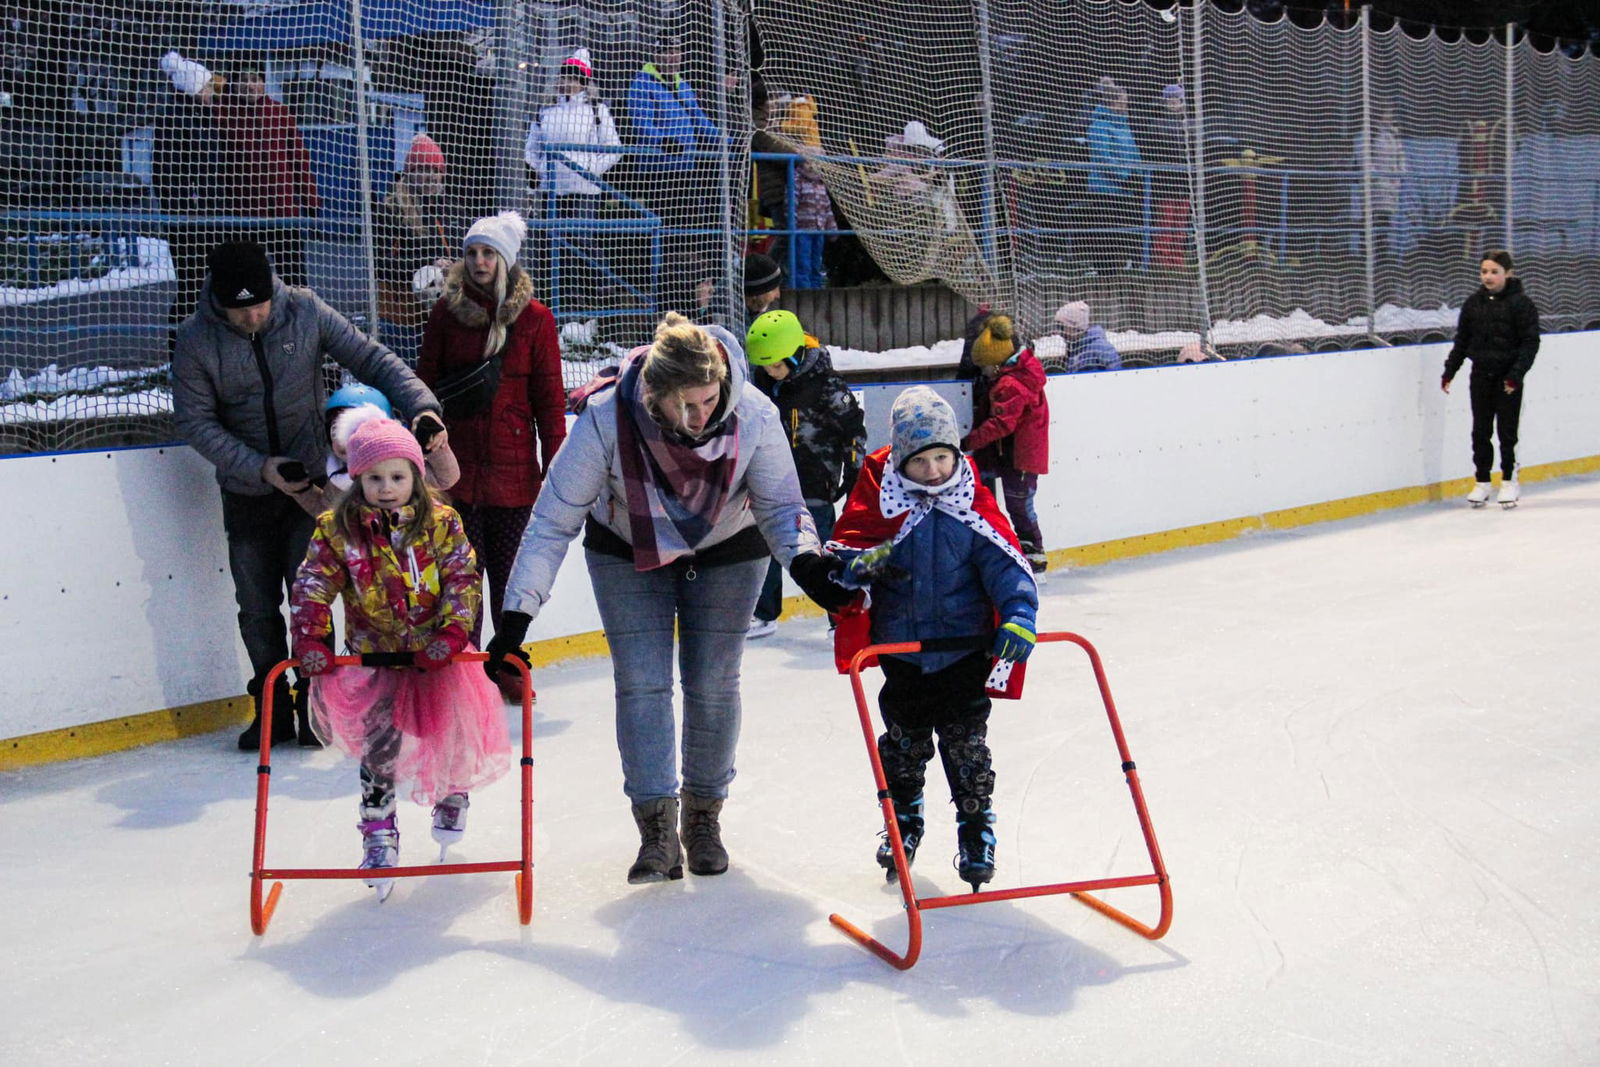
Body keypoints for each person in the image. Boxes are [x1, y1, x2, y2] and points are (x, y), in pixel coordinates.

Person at [483, 313, 841, 884]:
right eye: (685, 406)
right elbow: (552, 522)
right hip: (626, 546)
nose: (700, 418)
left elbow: (781, 509)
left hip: (728, 545)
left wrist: (807, 564)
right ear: (653, 392)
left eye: (708, 401)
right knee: (642, 682)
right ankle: (655, 830)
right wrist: (516, 616)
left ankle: (703, 819)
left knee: (713, 681)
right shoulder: (606, 419)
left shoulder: (753, 413)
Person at [172, 239, 442, 751]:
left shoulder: (305, 310)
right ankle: (270, 705)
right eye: (239, 310)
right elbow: (196, 422)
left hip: (312, 490)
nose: (252, 316)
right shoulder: (195, 339)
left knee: (310, 595)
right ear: (218, 303)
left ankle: (317, 704)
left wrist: (422, 406)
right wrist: (260, 468)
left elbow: (372, 358)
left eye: (259, 305)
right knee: (255, 604)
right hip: (248, 488)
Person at [822, 386, 1038, 890]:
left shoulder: (971, 503)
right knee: (903, 747)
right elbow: (845, 563)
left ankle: (976, 830)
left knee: (967, 750)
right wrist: (867, 565)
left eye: (943, 457)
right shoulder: (883, 503)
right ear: (901, 462)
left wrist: (1019, 616)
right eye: (921, 462)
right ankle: (904, 826)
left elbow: (1007, 567)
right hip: (903, 655)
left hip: (965, 653)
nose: (935, 471)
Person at [289, 419, 510, 898]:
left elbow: (463, 578)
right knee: (378, 753)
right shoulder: (338, 530)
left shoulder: (442, 523)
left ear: (416, 476)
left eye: (397, 477)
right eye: (374, 479)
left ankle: (452, 793)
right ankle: (378, 834)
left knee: (449, 732)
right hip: (375, 661)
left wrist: (453, 632)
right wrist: (312, 636)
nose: (386, 489)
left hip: (439, 657)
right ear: (356, 480)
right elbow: (312, 584)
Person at [417, 211, 567, 681]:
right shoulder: (446, 313)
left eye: (488, 253)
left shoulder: (536, 320)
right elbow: (423, 385)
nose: (479, 261)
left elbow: (549, 399)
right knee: (461, 579)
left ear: (506, 259)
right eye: (472, 252)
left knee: (510, 580)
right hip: (456, 474)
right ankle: (464, 673)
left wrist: (554, 468)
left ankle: (504, 664)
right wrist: (424, 450)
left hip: (515, 475)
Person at [744, 309, 866, 637]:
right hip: (772, 479)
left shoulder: (827, 385)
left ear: (795, 356)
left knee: (820, 547)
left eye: (776, 365)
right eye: (765, 366)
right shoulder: (762, 384)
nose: (771, 372)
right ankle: (764, 613)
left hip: (815, 479)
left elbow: (853, 429)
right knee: (765, 542)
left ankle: (837, 616)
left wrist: (854, 470)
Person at [1441, 250, 1540, 508]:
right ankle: (1482, 481)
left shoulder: (1521, 304)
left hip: (1508, 378)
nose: (1488, 276)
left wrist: (1515, 375)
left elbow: (1530, 343)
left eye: (1494, 272)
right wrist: (1450, 371)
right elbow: (1462, 340)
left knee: (1506, 432)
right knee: (1480, 431)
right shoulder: (1474, 303)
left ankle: (1509, 480)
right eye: (1484, 271)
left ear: (1508, 273)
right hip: (1480, 376)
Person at [524, 49, 621, 309]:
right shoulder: (546, 110)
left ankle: (593, 298)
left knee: (581, 240)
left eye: (574, 77)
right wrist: (541, 170)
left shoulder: (597, 111)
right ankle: (557, 302)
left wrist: (591, 171)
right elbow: (531, 148)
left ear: (583, 81)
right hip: (551, 190)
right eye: (564, 76)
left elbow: (613, 148)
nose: (567, 82)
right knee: (552, 246)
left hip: (583, 190)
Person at [214, 61, 319, 287]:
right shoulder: (223, 115)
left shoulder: (280, 113)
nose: (249, 86)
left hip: (282, 212)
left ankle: (296, 318)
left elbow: (299, 158)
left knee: (293, 276)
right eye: (243, 79)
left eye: (255, 79)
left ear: (264, 83)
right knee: (248, 276)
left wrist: (310, 198)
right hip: (243, 214)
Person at [961, 314, 1050, 573]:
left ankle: (1035, 556)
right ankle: (1007, 549)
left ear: (997, 365)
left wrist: (968, 440)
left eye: (986, 368)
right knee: (990, 497)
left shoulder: (1011, 384)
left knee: (1019, 505)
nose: (984, 374)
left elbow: (1002, 423)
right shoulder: (1015, 374)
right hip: (1008, 453)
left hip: (1021, 456)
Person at [153, 50, 222, 353]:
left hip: (204, 216)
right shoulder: (178, 121)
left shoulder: (202, 119)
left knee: (204, 285)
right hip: (189, 220)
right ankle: (179, 350)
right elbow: (169, 174)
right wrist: (189, 203)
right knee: (191, 285)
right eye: (206, 88)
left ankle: (200, 349)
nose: (211, 94)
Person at [374, 133, 454, 367]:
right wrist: (430, 264)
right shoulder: (391, 210)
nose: (431, 177)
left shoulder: (441, 209)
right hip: (401, 316)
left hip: (434, 314)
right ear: (409, 172)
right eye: (423, 169)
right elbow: (384, 265)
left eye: (436, 170)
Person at [324, 396, 459, 498]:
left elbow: (446, 478)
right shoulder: (337, 477)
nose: (386, 488)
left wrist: (432, 443)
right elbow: (324, 507)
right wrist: (304, 490)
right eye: (335, 430)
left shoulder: (403, 469)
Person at [1084, 81, 1142, 272]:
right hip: (1105, 188)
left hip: (1126, 190)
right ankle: (1103, 269)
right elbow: (1103, 157)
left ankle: (1123, 265)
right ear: (1113, 103)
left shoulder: (1125, 125)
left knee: (1124, 228)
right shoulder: (1099, 125)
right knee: (1105, 229)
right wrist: (1124, 175)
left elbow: (1134, 153)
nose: (1126, 105)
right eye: (1122, 101)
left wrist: (1138, 174)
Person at [1146, 84, 1192, 270]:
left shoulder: (1189, 124)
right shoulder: (1157, 124)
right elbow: (1160, 150)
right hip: (1166, 181)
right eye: (1171, 100)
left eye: (1177, 99)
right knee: (1166, 222)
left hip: (1183, 181)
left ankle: (1177, 259)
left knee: (1181, 224)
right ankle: (1162, 261)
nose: (1174, 103)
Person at [1054, 300, 1122, 373]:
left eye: (1061, 327)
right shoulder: (1074, 349)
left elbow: (1116, 373)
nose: (1059, 332)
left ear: (1076, 327)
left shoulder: (1099, 346)